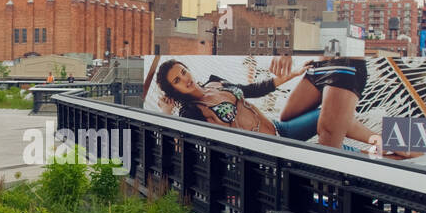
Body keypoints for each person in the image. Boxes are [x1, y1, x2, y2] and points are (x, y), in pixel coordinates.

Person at [154, 55, 382, 152]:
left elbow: (253, 90)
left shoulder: (214, 83)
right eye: (177, 80)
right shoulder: (190, 112)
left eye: (183, 71)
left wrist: (291, 75)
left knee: (329, 121)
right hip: (269, 150)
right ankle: (395, 148)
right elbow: (180, 145)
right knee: (334, 136)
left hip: (278, 129)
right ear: (174, 90)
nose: (185, 78)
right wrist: (165, 113)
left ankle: (399, 143)